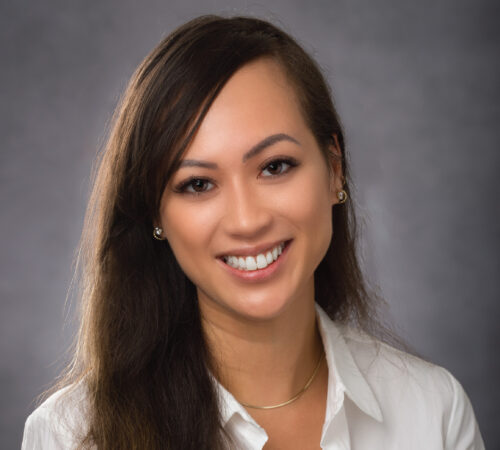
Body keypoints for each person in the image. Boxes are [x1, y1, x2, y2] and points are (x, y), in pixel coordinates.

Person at [21, 15, 484, 450]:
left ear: (334, 172)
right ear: (155, 214)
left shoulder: (433, 413)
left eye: (275, 166)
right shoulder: (69, 436)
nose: (247, 221)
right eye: (197, 184)